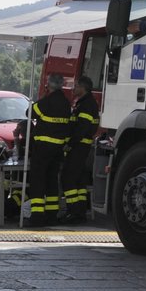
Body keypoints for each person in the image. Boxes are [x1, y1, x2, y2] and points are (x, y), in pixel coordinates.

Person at [24, 73, 72, 226]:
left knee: (38, 181)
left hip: (42, 148)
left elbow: (29, 113)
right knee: (52, 181)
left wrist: (43, 97)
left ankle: (37, 216)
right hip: (57, 149)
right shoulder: (66, 103)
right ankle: (51, 215)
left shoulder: (46, 101)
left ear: (49, 84)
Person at [59, 76, 98, 223]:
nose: (73, 89)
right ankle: (80, 211)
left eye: (75, 86)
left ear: (83, 88)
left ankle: (74, 211)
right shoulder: (84, 103)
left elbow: (82, 128)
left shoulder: (86, 105)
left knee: (68, 178)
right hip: (81, 146)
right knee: (79, 181)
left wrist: (70, 143)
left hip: (79, 146)